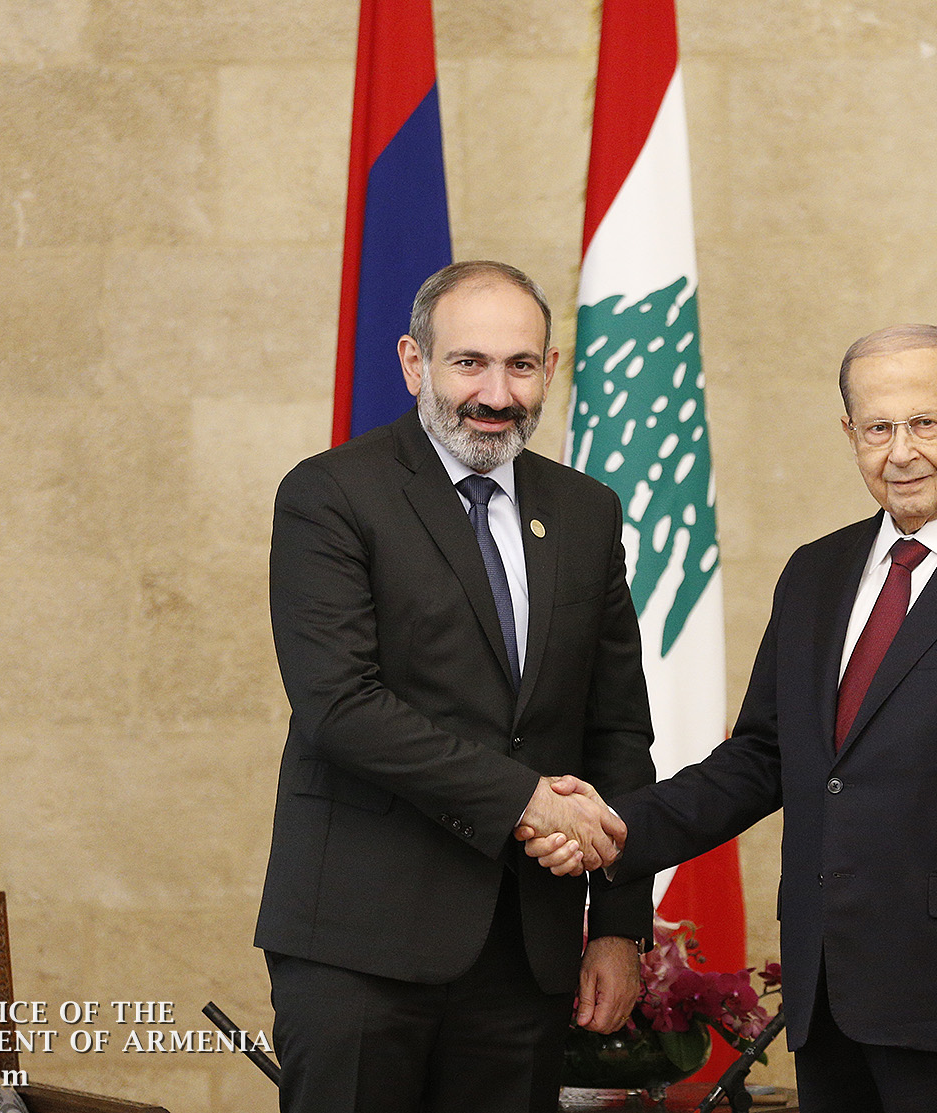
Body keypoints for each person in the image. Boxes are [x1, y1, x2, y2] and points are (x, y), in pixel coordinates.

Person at [527, 324, 937, 1112]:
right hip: (829, 1001)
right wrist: (613, 826)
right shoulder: (816, 572)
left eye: (925, 422)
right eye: (878, 428)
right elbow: (761, 758)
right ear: (850, 434)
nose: (902, 451)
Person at [257, 260, 656, 1113]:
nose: (496, 394)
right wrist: (526, 801)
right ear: (414, 363)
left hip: (525, 951)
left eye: (520, 365)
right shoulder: (330, 495)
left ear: (551, 369)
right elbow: (340, 705)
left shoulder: (586, 512)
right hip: (359, 945)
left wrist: (620, 925)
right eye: (469, 362)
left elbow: (618, 729)